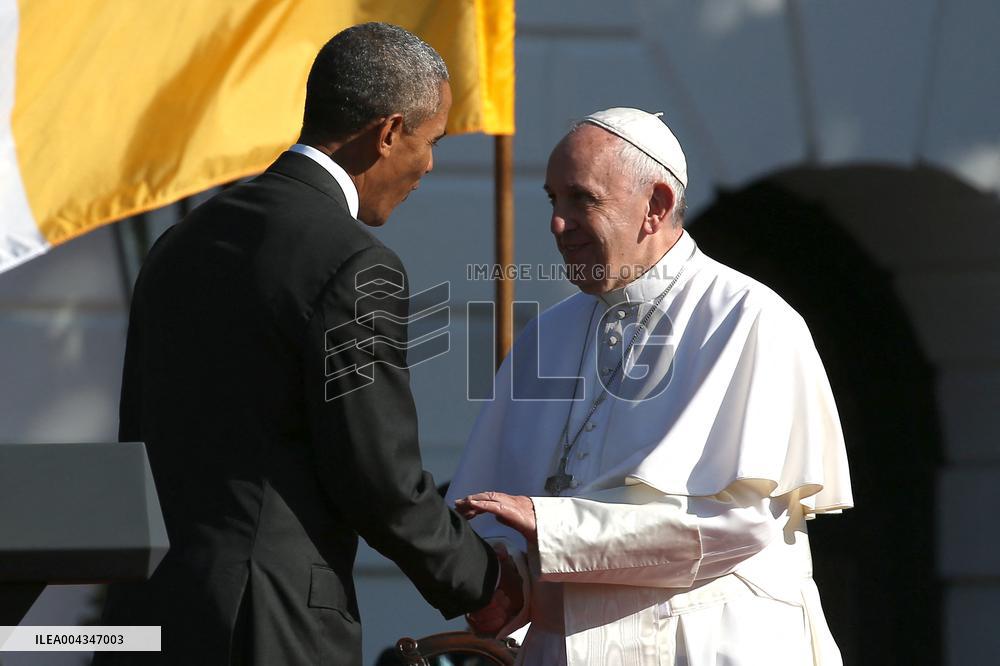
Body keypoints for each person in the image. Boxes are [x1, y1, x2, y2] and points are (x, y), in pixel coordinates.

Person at [95, 23, 519, 666]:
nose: (431, 164)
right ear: (388, 132)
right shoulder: (355, 264)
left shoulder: (181, 243)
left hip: (147, 614)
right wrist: (483, 582)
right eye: (430, 141)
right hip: (267, 625)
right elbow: (376, 474)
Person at [448, 107, 853, 665]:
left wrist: (552, 524)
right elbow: (520, 523)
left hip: (706, 647)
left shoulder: (746, 318)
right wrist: (508, 580)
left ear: (655, 207)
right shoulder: (550, 333)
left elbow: (739, 525)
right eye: (552, 200)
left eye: (581, 199)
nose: (557, 224)